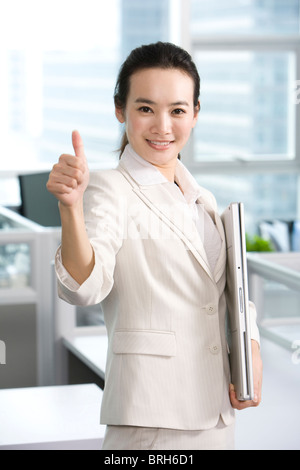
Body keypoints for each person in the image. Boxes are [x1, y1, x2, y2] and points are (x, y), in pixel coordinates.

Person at [47, 42, 263, 450]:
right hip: (152, 420)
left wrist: (250, 348)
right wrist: (71, 210)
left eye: (178, 110)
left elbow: (227, 291)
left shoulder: (202, 198)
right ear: (120, 110)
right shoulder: (111, 188)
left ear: (195, 114)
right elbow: (83, 287)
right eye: (146, 109)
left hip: (216, 411)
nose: (163, 126)